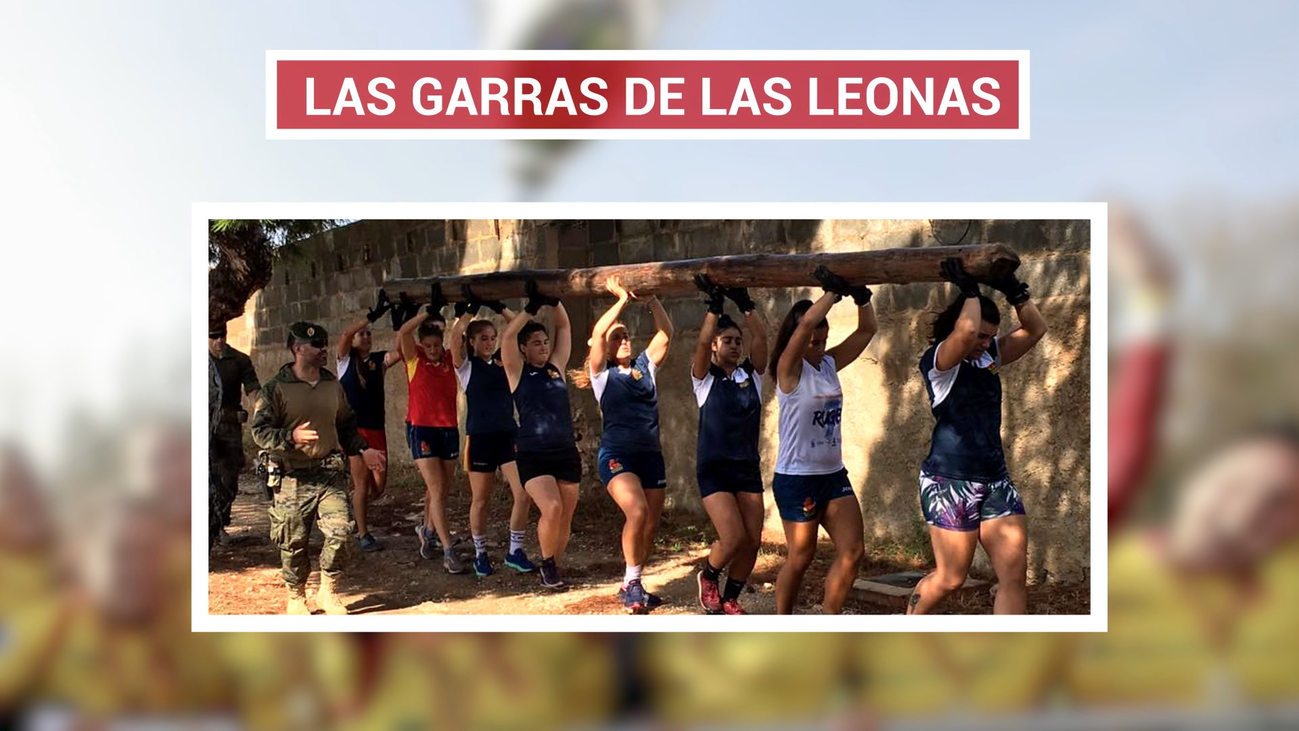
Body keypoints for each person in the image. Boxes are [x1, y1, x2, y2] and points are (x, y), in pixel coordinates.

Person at [907, 259, 1047, 615]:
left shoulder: (986, 357)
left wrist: (1014, 289)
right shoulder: (939, 362)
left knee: (1014, 575)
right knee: (952, 578)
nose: (985, 343)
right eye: (981, 336)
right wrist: (969, 287)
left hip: (996, 479)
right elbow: (966, 333)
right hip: (949, 481)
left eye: (990, 336)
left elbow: (1035, 328)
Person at [251, 320, 385, 615]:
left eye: (325, 344)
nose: (324, 350)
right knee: (293, 541)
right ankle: (296, 595)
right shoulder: (276, 388)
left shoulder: (331, 385)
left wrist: (364, 450)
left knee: (341, 532)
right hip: (290, 476)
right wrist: (290, 437)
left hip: (328, 472)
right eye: (316, 345)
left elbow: (347, 426)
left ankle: (328, 589)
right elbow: (259, 432)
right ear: (298, 349)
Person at [769, 267, 877, 614]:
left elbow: (867, 330)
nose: (818, 345)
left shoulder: (828, 364)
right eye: (812, 340)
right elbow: (803, 327)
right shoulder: (789, 368)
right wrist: (832, 292)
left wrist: (861, 296)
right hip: (797, 478)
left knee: (853, 550)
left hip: (832, 475)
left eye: (822, 339)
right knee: (801, 557)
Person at [582, 276, 673, 614]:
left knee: (649, 523)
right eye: (616, 337)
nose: (623, 340)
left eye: (625, 335)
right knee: (636, 511)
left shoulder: (643, 366)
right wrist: (620, 300)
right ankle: (632, 582)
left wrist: (650, 300)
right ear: (605, 346)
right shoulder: (601, 375)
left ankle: (632, 581)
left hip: (650, 455)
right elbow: (596, 335)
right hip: (617, 456)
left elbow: (666, 334)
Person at [690, 277, 768, 615]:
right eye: (728, 341)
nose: (735, 346)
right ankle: (708, 576)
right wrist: (715, 308)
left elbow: (762, 338)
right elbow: (702, 339)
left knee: (753, 540)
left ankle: (730, 597)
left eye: (738, 341)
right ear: (715, 346)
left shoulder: (752, 376)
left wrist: (747, 305)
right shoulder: (705, 379)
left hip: (746, 466)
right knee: (733, 537)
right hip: (715, 468)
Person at [449, 287, 537, 578]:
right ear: (472, 342)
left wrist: (500, 307)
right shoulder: (467, 367)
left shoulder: (503, 361)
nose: (489, 343)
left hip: (508, 436)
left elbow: (520, 331)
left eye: (492, 338)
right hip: (480, 439)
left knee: (523, 493)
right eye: (482, 339)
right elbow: (453, 339)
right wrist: (470, 311)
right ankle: (480, 554)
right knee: (481, 500)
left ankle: (514, 551)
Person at [501, 280, 578, 590]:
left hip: (565, 450)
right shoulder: (517, 372)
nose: (544, 347)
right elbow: (507, 335)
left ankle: (553, 566)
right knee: (552, 508)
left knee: (566, 519)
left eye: (545, 342)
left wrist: (553, 299)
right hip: (533, 453)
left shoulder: (556, 367)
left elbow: (565, 328)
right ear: (524, 348)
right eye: (535, 343)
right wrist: (532, 307)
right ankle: (547, 564)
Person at [398, 292, 468, 575]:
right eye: (427, 345)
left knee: (439, 490)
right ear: (421, 346)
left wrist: (465, 315)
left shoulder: (450, 359)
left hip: (448, 430)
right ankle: (448, 549)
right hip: (422, 430)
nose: (432, 349)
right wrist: (428, 312)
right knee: (437, 489)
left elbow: (457, 337)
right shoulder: (414, 361)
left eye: (436, 345)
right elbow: (404, 332)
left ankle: (427, 532)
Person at [336, 291, 402, 553]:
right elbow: (343, 336)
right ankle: (363, 533)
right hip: (355, 431)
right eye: (361, 333)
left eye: (369, 333)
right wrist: (370, 317)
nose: (366, 336)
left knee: (379, 485)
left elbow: (401, 351)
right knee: (362, 482)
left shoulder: (379, 361)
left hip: (377, 427)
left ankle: (355, 510)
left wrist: (400, 323)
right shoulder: (345, 362)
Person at [208, 322, 261, 542]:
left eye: (223, 335)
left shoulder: (239, 360)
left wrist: (261, 410)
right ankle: (209, 527)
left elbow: (253, 390)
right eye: (214, 336)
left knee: (228, 479)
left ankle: (220, 522)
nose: (219, 340)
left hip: (229, 428)